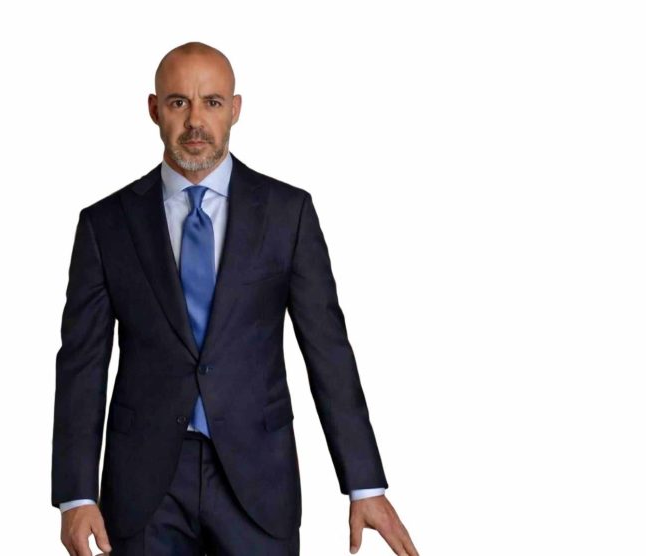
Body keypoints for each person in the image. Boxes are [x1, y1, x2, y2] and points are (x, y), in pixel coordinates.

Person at [52, 41, 419, 556]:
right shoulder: (105, 224)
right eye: (178, 102)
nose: (195, 120)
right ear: (154, 109)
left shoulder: (288, 213)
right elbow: (82, 364)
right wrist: (75, 495)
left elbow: (328, 351)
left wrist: (365, 485)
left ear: (235, 109)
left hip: (258, 478)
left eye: (212, 102)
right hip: (143, 485)